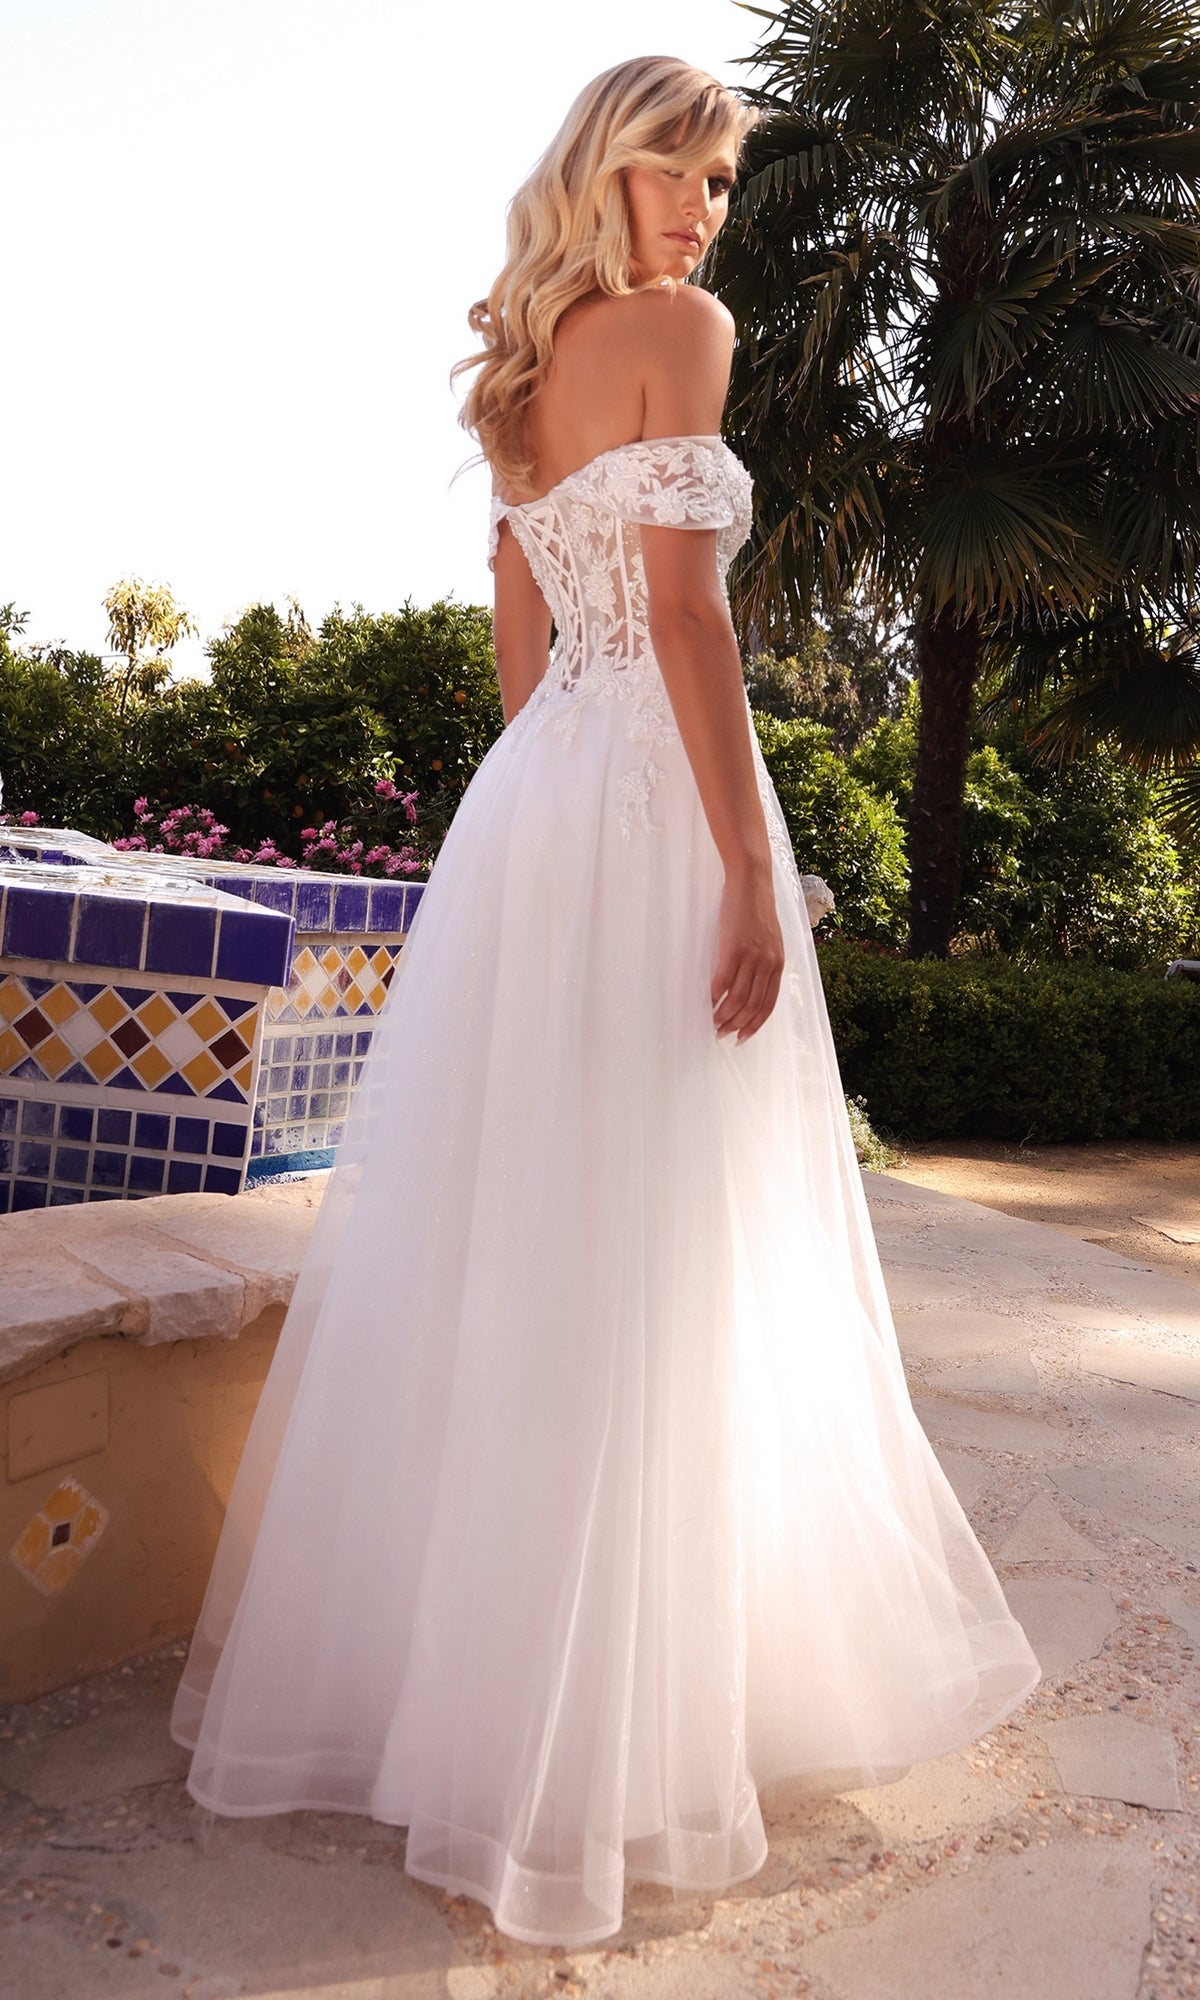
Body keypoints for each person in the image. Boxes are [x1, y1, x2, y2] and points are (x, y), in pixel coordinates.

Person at [170, 55, 1040, 1949]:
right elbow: (695, 617)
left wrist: (543, 799)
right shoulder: (681, 332)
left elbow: (515, 600)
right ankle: (613, 1731)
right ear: (611, 165)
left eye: (725, 183)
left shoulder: (529, 352)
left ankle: (464, 1698)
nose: (708, 209)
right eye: (686, 169)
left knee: (522, 1232)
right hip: (650, 799)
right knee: (660, 1233)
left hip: (543, 801)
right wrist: (741, 860)